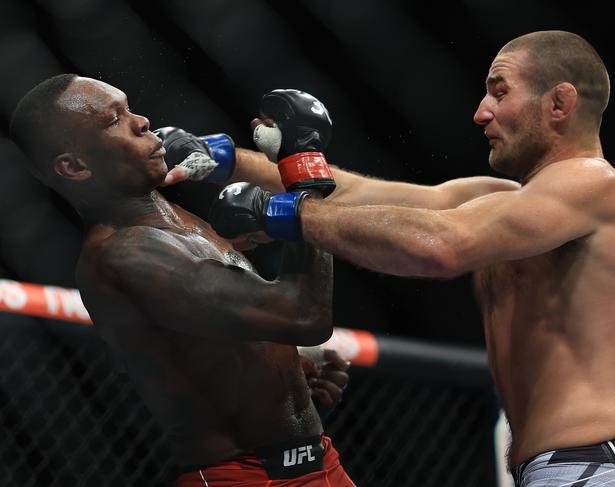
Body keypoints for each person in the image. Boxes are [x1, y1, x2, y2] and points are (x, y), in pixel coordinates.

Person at [203, 31, 615, 486]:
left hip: (585, 470)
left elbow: (441, 245)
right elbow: (355, 195)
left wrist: (283, 215)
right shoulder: (501, 200)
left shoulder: (599, 188)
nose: (481, 112)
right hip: (554, 471)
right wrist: (217, 157)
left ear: (559, 103)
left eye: (500, 91)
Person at [9, 74, 356, 487]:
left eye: (130, 107)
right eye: (113, 120)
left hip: (318, 462)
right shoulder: (125, 256)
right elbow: (304, 315)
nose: (142, 122)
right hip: (244, 479)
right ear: (75, 166)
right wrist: (305, 173)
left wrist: (293, 386)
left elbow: (228, 348)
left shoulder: (177, 222)